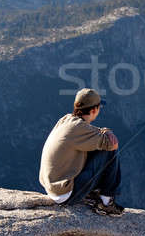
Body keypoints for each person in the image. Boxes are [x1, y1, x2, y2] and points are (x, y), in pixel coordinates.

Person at [39, 88, 123, 216]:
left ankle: (92, 193)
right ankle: (106, 203)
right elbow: (113, 144)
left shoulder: (66, 120)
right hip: (65, 193)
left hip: (53, 187)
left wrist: (104, 131)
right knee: (109, 151)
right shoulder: (79, 128)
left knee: (96, 146)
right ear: (94, 110)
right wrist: (108, 131)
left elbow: (92, 133)